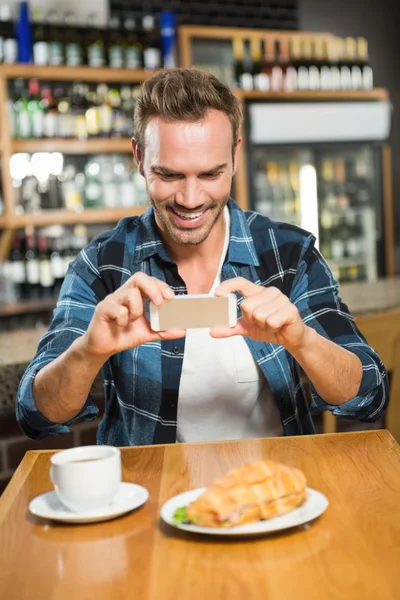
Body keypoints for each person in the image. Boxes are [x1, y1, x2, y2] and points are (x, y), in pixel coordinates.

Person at [16, 68, 388, 445]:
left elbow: (367, 394)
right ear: (139, 158)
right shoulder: (102, 263)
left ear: (235, 156)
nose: (190, 199)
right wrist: (87, 352)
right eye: (169, 174)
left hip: (275, 493)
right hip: (153, 496)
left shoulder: (288, 253)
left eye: (210, 174)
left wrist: (303, 341)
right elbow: (36, 414)